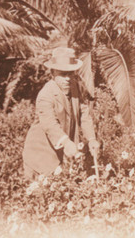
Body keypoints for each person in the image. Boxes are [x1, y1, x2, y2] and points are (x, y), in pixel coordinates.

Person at [22, 47, 100, 180]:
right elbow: (50, 125)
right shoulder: (45, 95)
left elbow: (84, 113)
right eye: (63, 74)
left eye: (70, 73)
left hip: (60, 154)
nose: (68, 79)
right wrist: (66, 142)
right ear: (52, 73)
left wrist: (91, 139)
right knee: (42, 195)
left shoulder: (74, 87)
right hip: (40, 155)